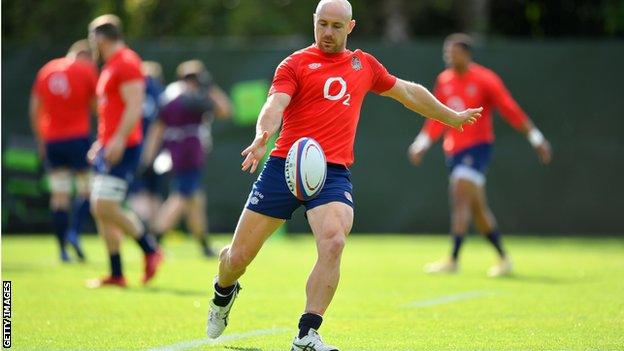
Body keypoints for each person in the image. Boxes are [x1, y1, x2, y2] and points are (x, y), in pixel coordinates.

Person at [205, 1, 481, 349]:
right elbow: (274, 104)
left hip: (332, 171)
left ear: (351, 27)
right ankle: (223, 290)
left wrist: (450, 118)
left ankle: (306, 334)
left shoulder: (362, 64)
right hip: (283, 166)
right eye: (323, 24)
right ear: (314, 22)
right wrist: (262, 135)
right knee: (237, 259)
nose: (328, 33)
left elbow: (408, 91)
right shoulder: (295, 63)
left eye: (337, 26)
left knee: (334, 240)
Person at [408, 33, 552, 277]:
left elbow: (510, 109)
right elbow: (436, 116)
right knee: (477, 209)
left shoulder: (485, 79)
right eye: (446, 52)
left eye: (452, 52)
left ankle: (453, 259)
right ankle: (504, 258)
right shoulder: (444, 80)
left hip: (478, 148)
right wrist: (422, 142)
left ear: (466, 54)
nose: (448, 57)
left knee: (460, 193)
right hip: (453, 150)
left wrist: (536, 138)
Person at [86, 14, 162, 288]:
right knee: (102, 209)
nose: (91, 43)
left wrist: (117, 140)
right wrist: (102, 141)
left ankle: (150, 249)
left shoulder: (127, 62)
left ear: (102, 38)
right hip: (111, 144)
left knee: (103, 205)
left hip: (125, 145)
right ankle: (116, 273)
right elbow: (111, 111)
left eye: (93, 37)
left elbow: (135, 106)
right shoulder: (110, 65)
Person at [141, 60, 232, 257]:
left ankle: (204, 245)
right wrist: (211, 88)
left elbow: (157, 129)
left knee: (196, 200)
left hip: (175, 152)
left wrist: (148, 157)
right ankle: (153, 241)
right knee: (181, 197)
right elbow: (225, 110)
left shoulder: (169, 96)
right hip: (189, 153)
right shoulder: (191, 98)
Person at [29, 39, 97, 262]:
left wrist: (41, 141)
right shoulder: (85, 71)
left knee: (59, 196)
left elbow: (35, 109)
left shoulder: (46, 70)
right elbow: (96, 106)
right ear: (84, 55)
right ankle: (74, 232)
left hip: (52, 141)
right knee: (87, 189)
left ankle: (62, 250)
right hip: (77, 139)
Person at [127, 61, 166, 227]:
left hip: (138, 149)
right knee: (153, 192)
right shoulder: (161, 93)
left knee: (138, 192)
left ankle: (146, 232)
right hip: (158, 151)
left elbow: (157, 125)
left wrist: (146, 154)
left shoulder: (137, 90)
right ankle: (154, 233)